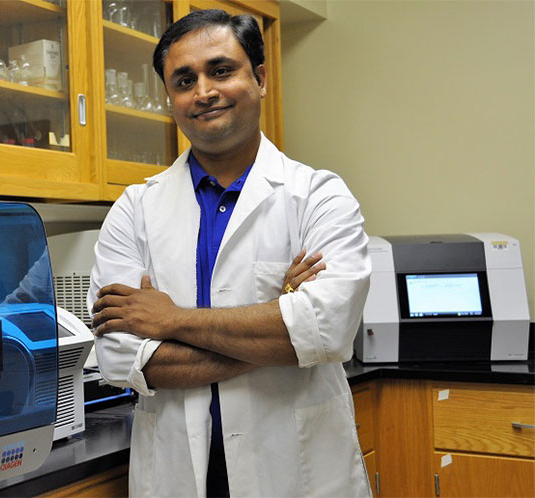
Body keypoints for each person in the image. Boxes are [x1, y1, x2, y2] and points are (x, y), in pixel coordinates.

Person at [88, 9, 372, 498]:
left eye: (221, 70)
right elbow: (121, 358)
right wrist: (281, 329)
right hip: (177, 473)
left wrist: (169, 320)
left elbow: (327, 331)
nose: (203, 92)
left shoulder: (320, 196)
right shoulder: (134, 209)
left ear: (259, 79)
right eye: (184, 80)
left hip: (294, 471)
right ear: (171, 99)